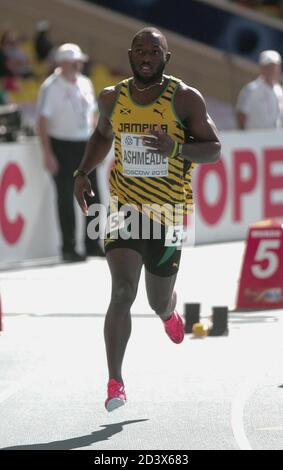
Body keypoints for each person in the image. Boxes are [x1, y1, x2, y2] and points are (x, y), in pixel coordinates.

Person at [74, 27, 221, 411]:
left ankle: (170, 312)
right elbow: (102, 136)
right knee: (122, 291)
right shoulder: (113, 98)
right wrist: (81, 173)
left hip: (168, 212)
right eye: (139, 50)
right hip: (123, 209)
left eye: (153, 51)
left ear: (165, 58)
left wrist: (177, 148)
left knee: (156, 300)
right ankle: (115, 382)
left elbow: (214, 150)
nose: (145, 56)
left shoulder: (185, 98)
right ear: (129, 55)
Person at [37, 43, 104, 261]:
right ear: (62, 63)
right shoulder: (51, 86)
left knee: (94, 196)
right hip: (62, 145)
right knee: (66, 197)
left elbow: (92, 115)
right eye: (74, 62)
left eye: (79, 62)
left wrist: (97, 144)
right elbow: (42, 121)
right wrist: (48, 153)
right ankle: (69, 247)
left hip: (85, 144)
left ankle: (92, 243)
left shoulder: (85, 83)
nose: (78, 65)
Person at [236, 49, 283, 130]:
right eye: (267, 67)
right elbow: (241, 115)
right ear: (261, 68)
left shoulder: (279, 91)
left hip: (275, 139)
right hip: (255, 140)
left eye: (274, 66)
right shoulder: (250, 89)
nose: (271, 70)